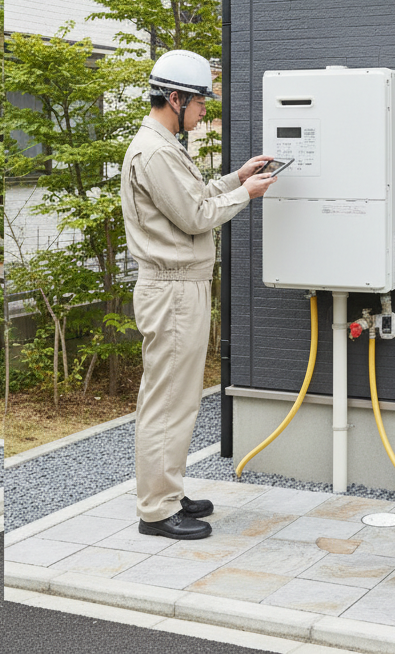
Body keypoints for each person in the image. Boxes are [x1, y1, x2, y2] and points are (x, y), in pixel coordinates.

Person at [120, 50, 275, 541]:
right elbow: (196, 217)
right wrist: (246, 196)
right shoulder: (156, 151)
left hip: (178, 286)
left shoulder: (163, 143)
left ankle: (168, 489)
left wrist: (238, 177)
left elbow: (195, 197)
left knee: (177, 398)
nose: (206, 109)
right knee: (168, 400)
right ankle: (156, 509)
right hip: (171, 289)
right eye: (201, 101)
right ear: (175, 98)